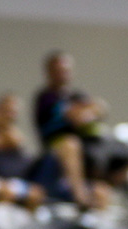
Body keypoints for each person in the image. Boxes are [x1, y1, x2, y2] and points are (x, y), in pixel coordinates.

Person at [32, 50, 105, 208]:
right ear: (49, 72)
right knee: (70, 144)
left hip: (86, 155)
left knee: (102, 191)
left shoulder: (76, 95)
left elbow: (101, 108)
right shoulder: (45, 98)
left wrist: (87, 112)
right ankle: (81, 198)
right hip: (55, 153)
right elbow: (75, 117)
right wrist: (85, 112)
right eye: (58, 70)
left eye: (66, 70)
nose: (62, 74)